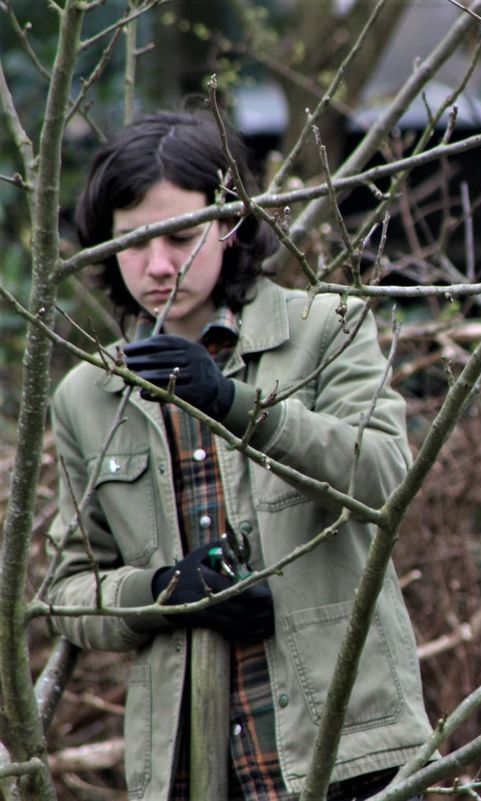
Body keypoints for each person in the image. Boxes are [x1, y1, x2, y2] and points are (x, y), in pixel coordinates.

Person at [47, 110, 433, 799]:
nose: (158, 264)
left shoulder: (327, 326)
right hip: (187, 768)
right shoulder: (85, 394)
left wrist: (233, 402)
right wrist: (165, 593)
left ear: (231, 223)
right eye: (133, 242)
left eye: (181, 236)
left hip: (347, 748)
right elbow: (65, 591)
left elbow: (383, 480)